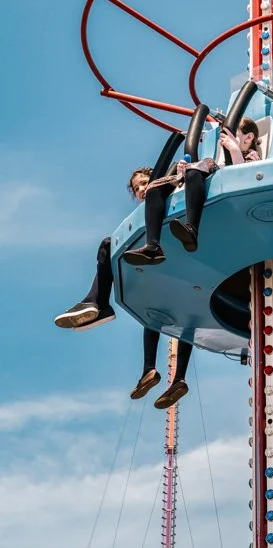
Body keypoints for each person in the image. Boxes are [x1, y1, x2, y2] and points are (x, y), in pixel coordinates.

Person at [54, 167, 193, 408]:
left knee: (108, 245)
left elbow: (176, 180)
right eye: (137, 187)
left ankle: (99, 303)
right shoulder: (147, 211)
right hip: (170, 273)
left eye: (144, 183)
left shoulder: (164, 194)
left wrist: (179, 171)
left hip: (178, 257)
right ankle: (154, 372)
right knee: (155, 317)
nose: (141, 190)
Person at [124, 117, 261, 265]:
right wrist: (184, 171)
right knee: (154, 189)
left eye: (231, 133)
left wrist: (234, 148)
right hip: (209, 175)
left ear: (248, 137)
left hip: (232, 191)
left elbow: (243, 177)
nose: (224, 139)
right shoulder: (218, 158)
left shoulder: (251, 155)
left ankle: (191, 228)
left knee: (196, 169)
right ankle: (152, 245)